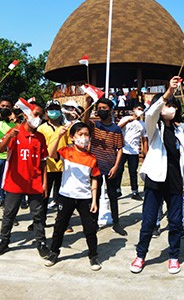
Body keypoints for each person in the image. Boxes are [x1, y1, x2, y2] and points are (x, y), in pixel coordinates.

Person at [130, 76, 184, 275]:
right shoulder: (154, 127)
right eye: (168, 105)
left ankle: (174, 256)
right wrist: (168, 93)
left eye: (173, 105)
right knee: (149, 221)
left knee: (175, 222)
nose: (171, 108)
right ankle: (140, 255)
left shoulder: (179, 130)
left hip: (175, 181)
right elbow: (151, 113)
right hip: (156, 180)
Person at [0, 101, 50, 258]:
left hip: (35, 181)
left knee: (38, 214)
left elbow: (43, 162)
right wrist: (9, 137)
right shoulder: (15, 131)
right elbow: (1, 149)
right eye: (36, 114)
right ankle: (4, 240)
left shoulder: (40, 137)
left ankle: (41, 243)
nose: (38, 118)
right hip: (15, 181)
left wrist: (44, 183)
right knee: (9, 213)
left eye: (41, 116)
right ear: (26, 114)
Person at [43, 122, 101, 270]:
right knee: (60, 226)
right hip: (66, 196)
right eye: (80, 134)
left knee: (90, 228)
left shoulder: (92, 158)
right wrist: (58, 136)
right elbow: (51, 154)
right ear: (72, 137)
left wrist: (94, 200)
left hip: (85, 197)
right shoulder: (66, 152)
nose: (84, 138)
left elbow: (94, 179)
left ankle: (93, 255)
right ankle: (54, 252)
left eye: (86, 135)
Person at [82, 98, 126, 236]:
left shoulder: (116, 129)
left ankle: (116, 223)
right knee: (95, 195)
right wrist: (88, 104)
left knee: (113, 195)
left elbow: (120, 148)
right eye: (99, 108)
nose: (101, 110)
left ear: (111, 110)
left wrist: (116, 166)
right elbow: (84, 121)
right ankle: (93, 223)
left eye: (104, 108)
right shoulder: (94, 126)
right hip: (95, 166)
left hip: (110, 166)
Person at [38, 100, 69, 211]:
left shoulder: (65, 128)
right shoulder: (41, 128)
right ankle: (40, 218)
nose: (54, 112)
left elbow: (69, 145)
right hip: (47, 166)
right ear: (46, 112)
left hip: (62, 166)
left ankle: (61, 218)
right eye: (51, 109)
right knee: (44, 194)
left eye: (56, 109)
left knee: (62, 195)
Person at [118, 102, 148, 201]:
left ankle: (134, 191)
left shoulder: (143, 124)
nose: (140, 111)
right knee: (119, 169)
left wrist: (145, 152)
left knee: (133, 171)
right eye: (138, 109)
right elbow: (117, 129)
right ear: (134, 109)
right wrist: (127, 121)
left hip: (134, 151)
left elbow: (144, 139)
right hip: (123, 149)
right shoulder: (126, 119)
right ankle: (117, 189)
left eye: (142, 110)